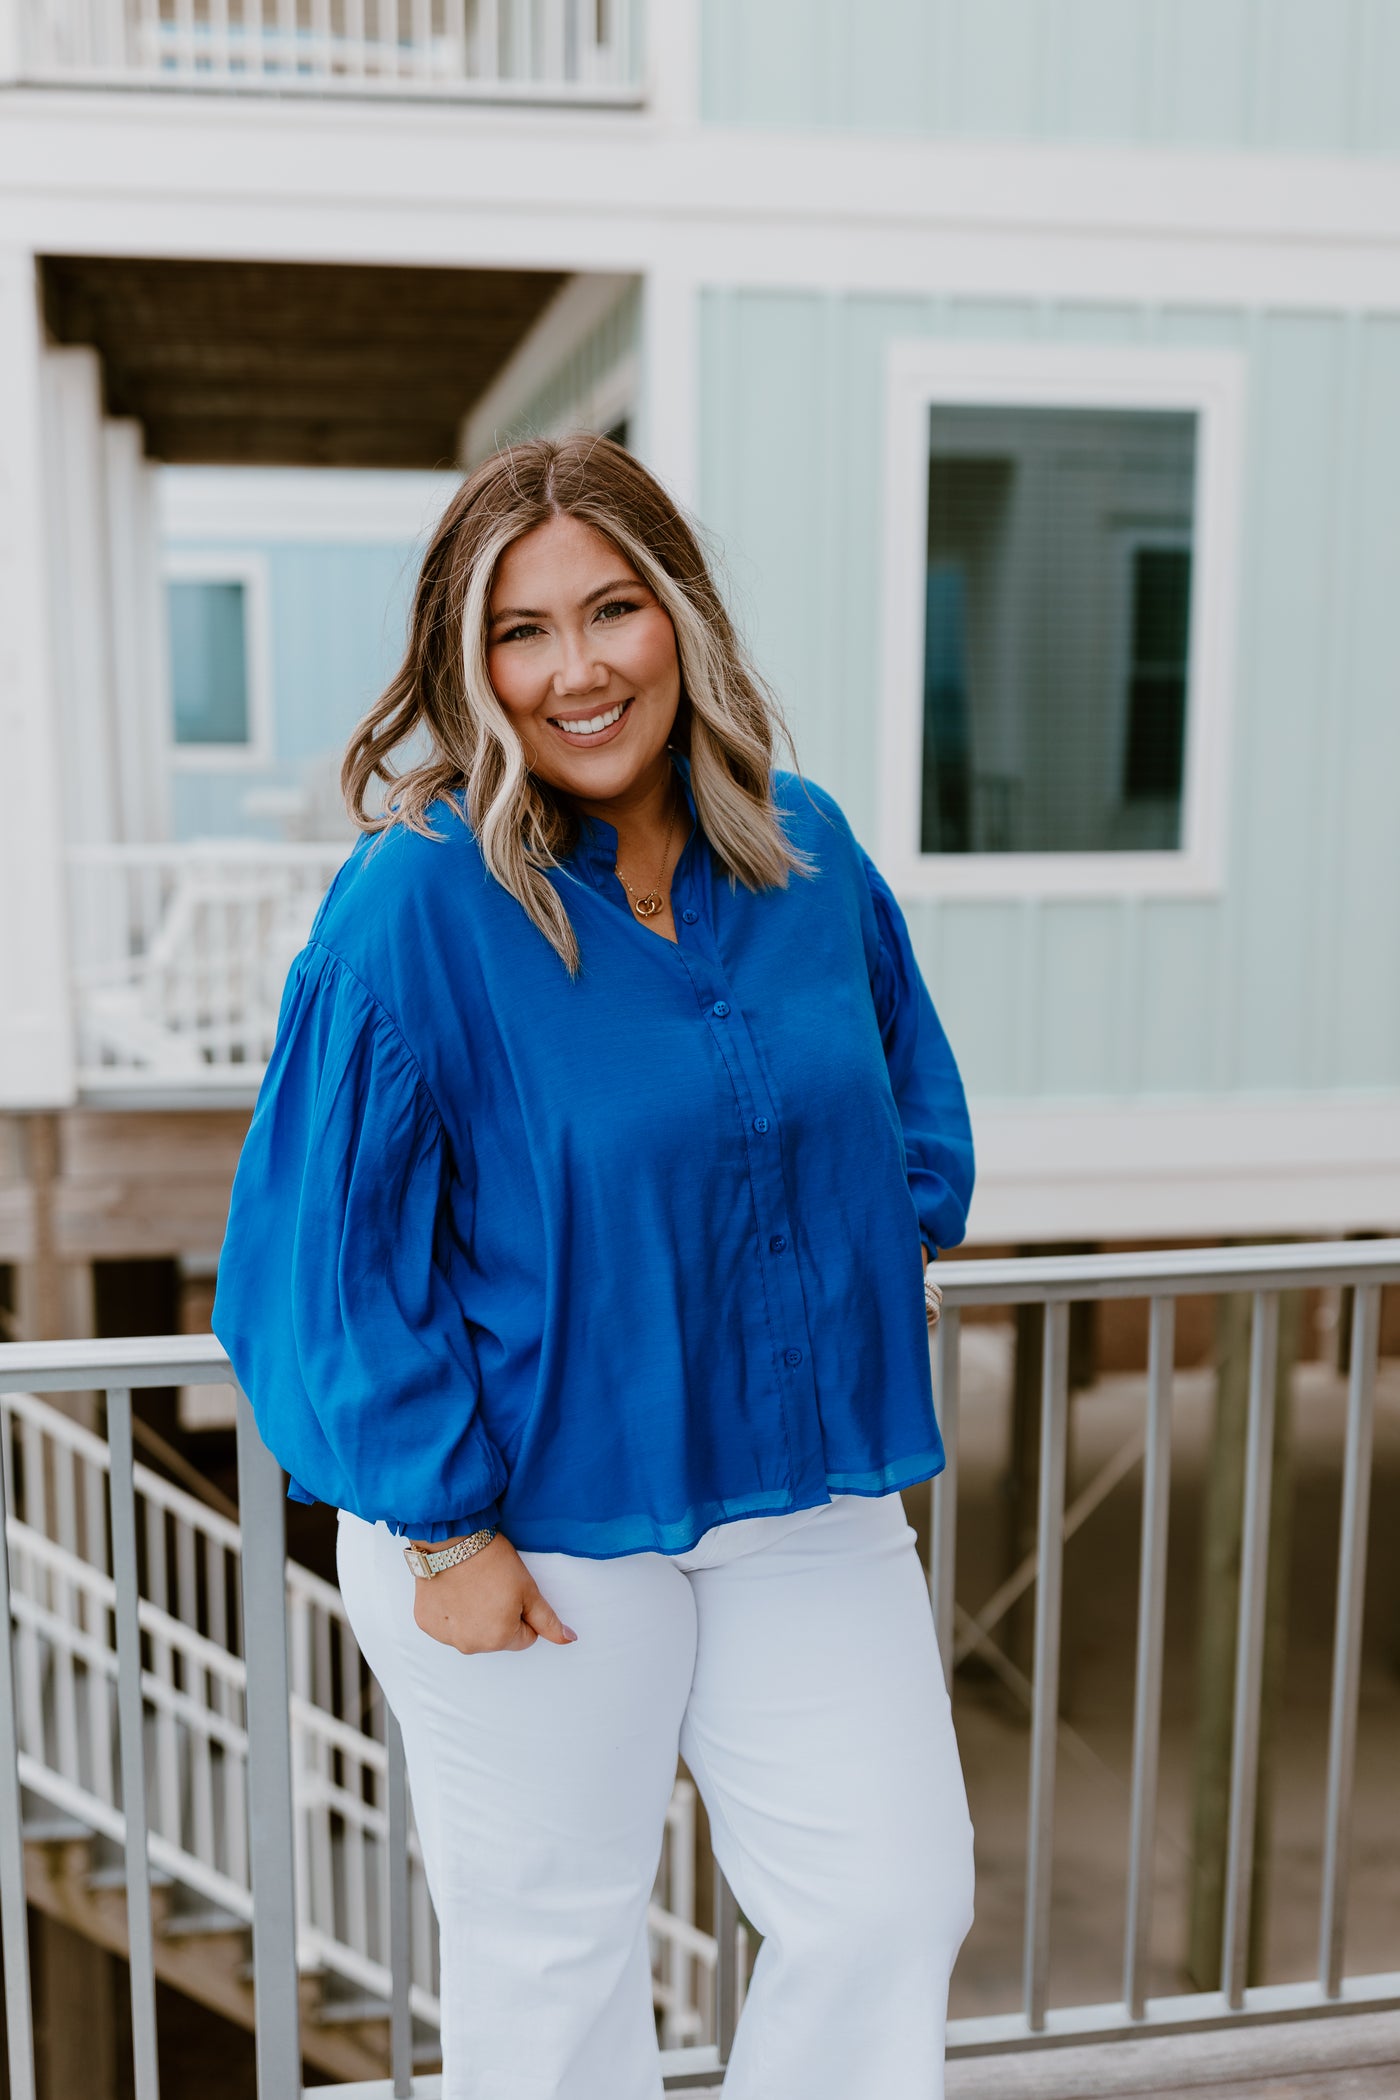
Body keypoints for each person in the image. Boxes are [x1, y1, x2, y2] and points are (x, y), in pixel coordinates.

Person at [213, 434, 976, 2100]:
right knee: (555, 1961)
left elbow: (908, 1102)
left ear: (681, 617)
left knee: (890, 1904)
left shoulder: (807, 846)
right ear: (464, 664)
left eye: (612, 608)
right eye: (521, 631)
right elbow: (313, 1262)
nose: (577, 670)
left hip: (801, 1491)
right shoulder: (415, 900)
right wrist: (443, 1524)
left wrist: (839, 1264)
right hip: (527, 1521)